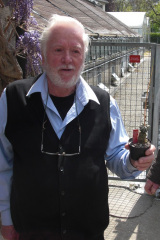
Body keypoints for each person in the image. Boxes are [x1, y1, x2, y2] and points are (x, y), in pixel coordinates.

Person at [0, 14, 155, 240]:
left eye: (75, 51)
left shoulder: (104, 103)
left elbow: (116, 158)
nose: (68, 59)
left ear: (84, 57)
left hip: (88, 233)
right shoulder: (13, 98)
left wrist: (135, 161)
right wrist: (6, 219)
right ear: (42, 56)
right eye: (58, 50)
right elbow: (2, 164)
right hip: (31, 232)